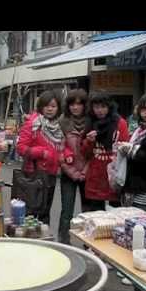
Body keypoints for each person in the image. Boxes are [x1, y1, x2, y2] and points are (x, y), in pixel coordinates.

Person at [16, 90, 73, 225]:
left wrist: (67, 155)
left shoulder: (60, 125)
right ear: (41, 106)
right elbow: (20, 147)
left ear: (58, 108)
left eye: (53, 106)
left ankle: (43, 239)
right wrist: (40, 152)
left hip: (50, 175)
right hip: (33, 174)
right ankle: (28, 240)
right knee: (30, 211)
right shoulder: (33, 123)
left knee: (45, 211)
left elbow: (64, 146)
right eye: (46, 106)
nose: (49, 109)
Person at [82, 92, 130, 211]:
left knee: (115, 219)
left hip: (114, 177)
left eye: (103, 107)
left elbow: (125, 150)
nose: (100, 110)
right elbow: (85, 153)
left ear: (109, 107)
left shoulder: (120, 123)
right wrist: (89, 141)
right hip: (95, 177)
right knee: (95, 218)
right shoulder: (89, 123)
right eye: (96, 107)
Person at [58, 89, 90, 244]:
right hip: (68, 174)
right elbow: (60, 150)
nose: (75, 107)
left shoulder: (92, 122)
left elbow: (95, 152)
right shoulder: (62, 122)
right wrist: (72, 172)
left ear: (85, 105)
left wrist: (84, 171)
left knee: (89, 212)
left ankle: (91, 245)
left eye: (79, 104)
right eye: (72, 104)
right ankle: (64, 242)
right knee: (67, 211)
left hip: (88, 173)